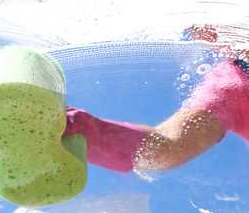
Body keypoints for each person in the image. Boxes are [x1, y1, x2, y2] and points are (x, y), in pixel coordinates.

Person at [63, 25, 249, 173]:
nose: (208, 33)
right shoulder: (226, 90)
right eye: (197, 25)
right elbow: (167, 147)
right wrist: (79, 129)